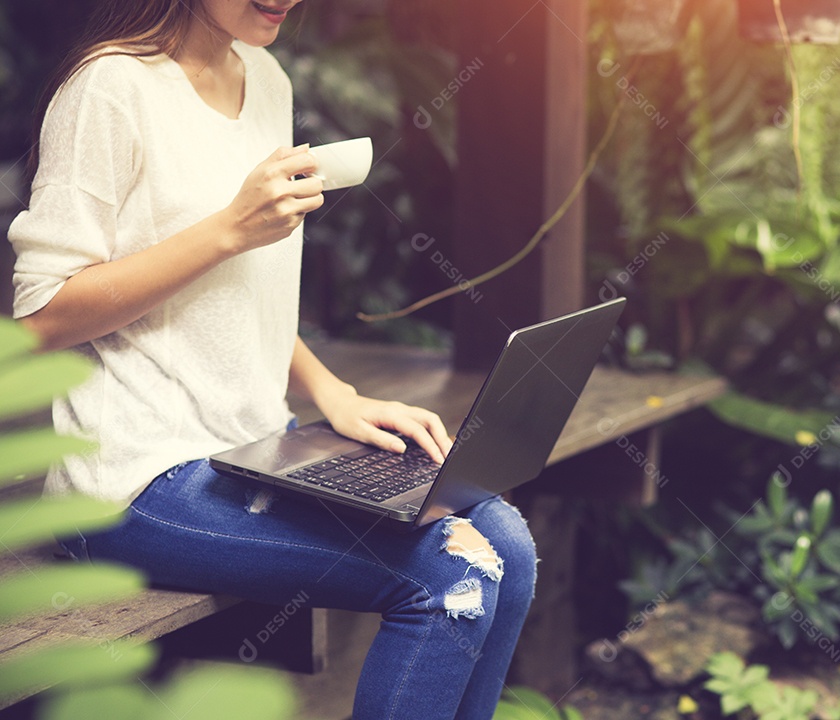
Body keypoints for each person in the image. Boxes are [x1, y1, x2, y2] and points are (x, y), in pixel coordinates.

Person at [8, 1, 536, 718]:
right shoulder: (109, 89)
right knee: (453, 571)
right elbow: (40, 317)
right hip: (130, 478)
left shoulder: (267, 79)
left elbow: (234, 296)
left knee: (507, 542)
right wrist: (226, 229)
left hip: (254, 445)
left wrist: (333, 392)